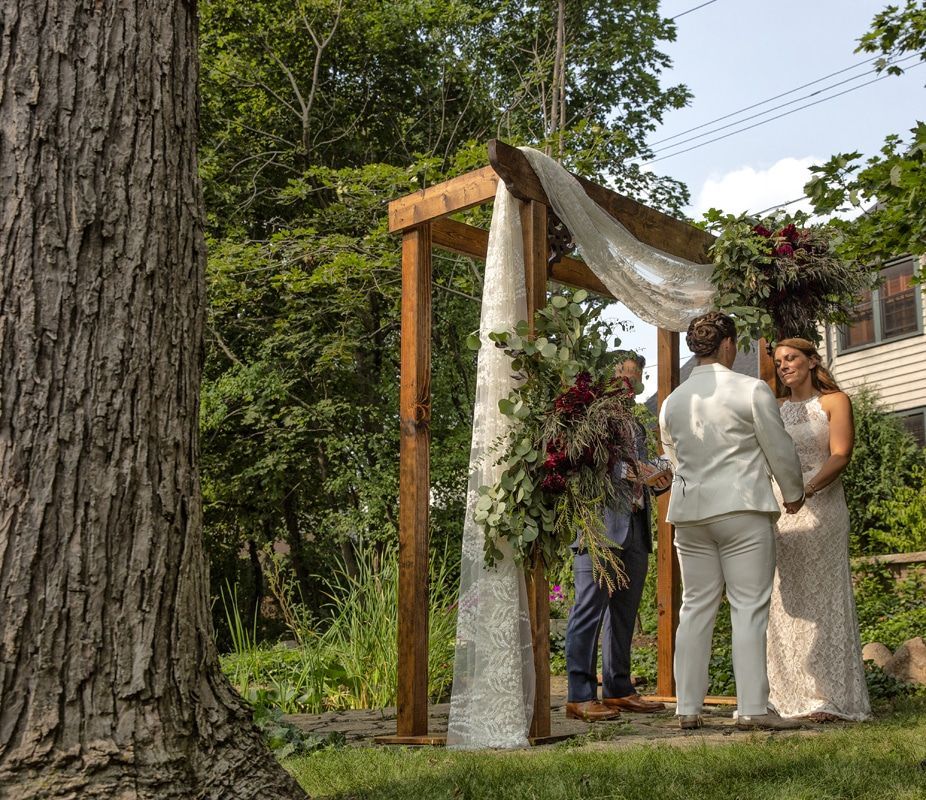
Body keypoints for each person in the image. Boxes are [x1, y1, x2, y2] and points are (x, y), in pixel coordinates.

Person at [658, 312, 806, 731]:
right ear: (727, 345)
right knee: (748, 608)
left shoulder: (672, 401)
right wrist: (792, 493)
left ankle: (687, 708)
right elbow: (778, 449)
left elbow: (673, 458)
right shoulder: (751, 389)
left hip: (689, 515)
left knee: (696, 607)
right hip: (742, 509)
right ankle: (753, 710)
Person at [767, 338, 871, 722]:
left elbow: (841, 454)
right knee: (785, 596)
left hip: (821, 505)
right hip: (779, 508)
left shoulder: (835, 401)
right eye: (779, 362)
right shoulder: (774, 408)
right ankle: (786, 694)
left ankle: (828, 696)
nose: (784, 366)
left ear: (811, 361)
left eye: (791, 358)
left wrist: (806, 490)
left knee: (823, 594)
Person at [564, 352, 672, 722]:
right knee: (587, 611)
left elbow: (642, 475)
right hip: (600, 530)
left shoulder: (637, 422)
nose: (631, 383)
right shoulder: (590, 415)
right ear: (608, 379)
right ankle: (579, 695)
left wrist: (659, 479)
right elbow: (584, 461)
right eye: (624, 377)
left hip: (636, 527)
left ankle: (618, 689)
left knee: (624, 615)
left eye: (636, 377)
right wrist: (635, 471)